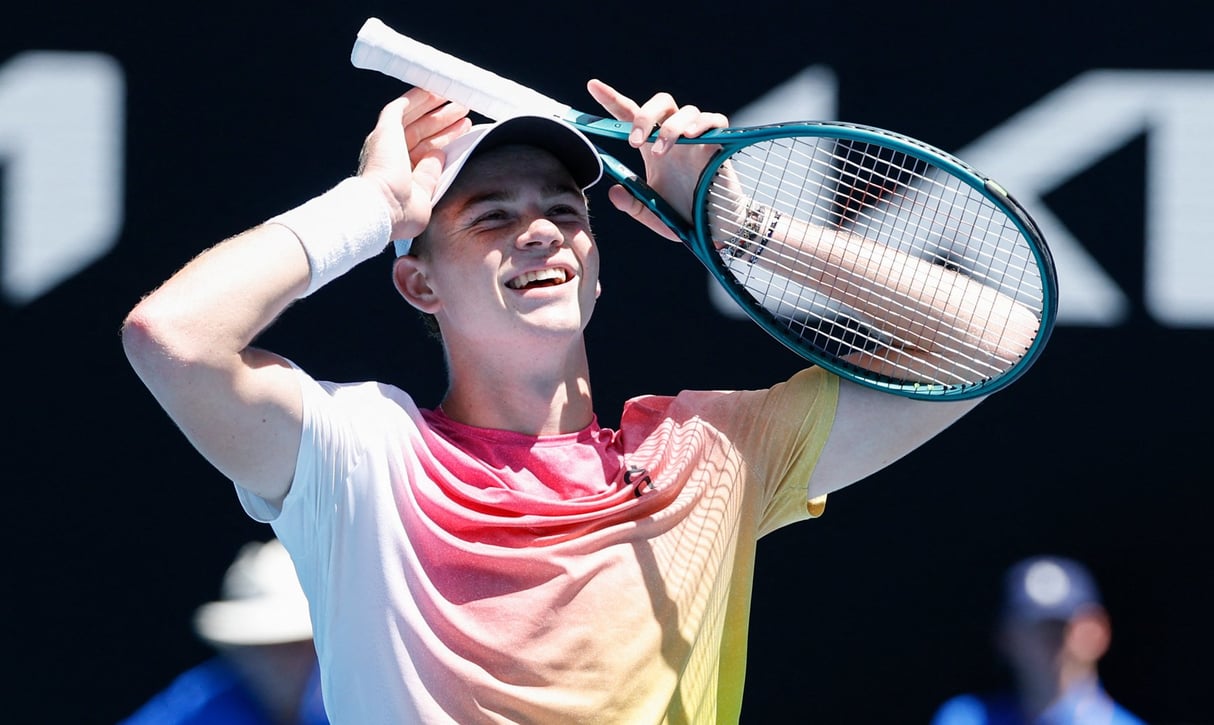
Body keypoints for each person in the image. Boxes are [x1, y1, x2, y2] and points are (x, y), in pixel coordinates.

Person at [122, 71, 1022, 722]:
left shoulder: (712, 452)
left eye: (566, 210)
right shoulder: (357, 450)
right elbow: (172, 335)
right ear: (418, 285)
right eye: (491, 217)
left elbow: (994, 337)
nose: (541, 232)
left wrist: (746, 236)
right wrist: (369, 207)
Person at [121, 538, 329, 724]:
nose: (274, 664)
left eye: (291, 646)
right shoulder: (201, 705)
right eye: (258, 647)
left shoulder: (351, 699)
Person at [930, 555, 1145, 725]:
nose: (1052, 640)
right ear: (1005, 638)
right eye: (1036, 628)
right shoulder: (964, 719)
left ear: (1100, 631)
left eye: (1063, 626)